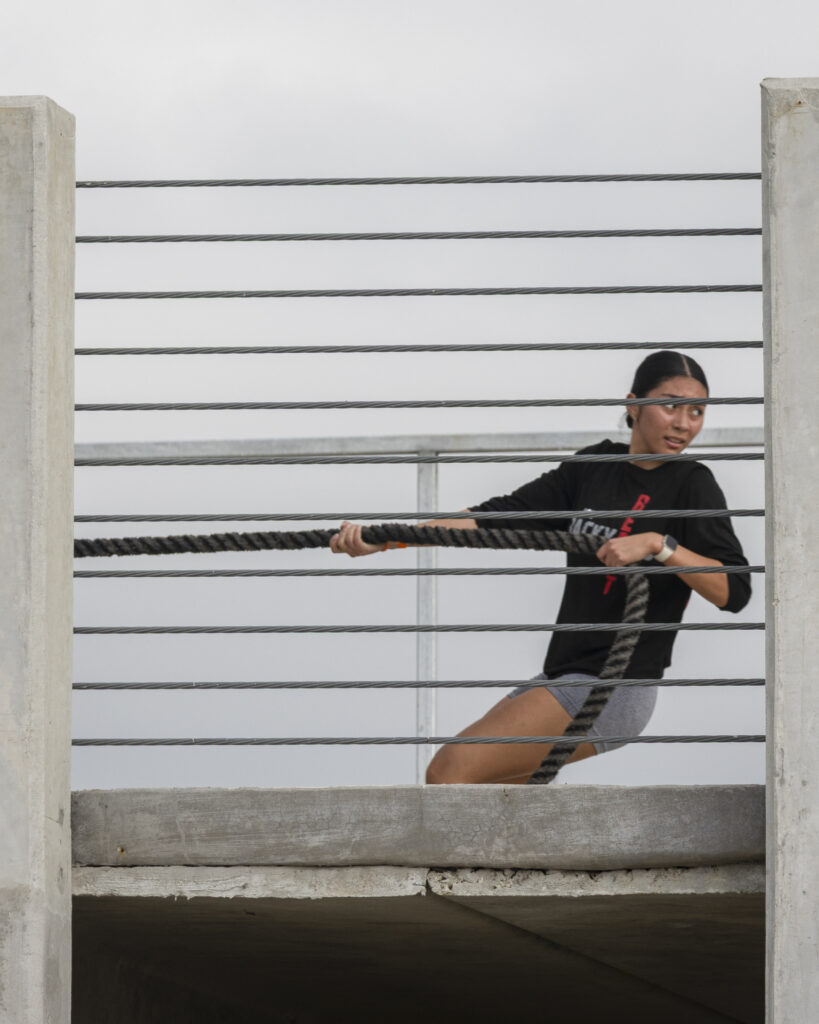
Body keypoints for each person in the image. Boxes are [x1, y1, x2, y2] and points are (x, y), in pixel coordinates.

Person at [330, 350, 751, 784]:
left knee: (449, 774)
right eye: (670, 405)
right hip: (562, 672)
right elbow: (494, 517)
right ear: (632, 405)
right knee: (489, 800)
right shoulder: (591, 468)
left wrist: (659, 546)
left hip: (615, 685)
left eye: (697, 411)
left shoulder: (692, 484)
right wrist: (385, 539)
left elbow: (734, 591)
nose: (684, 423)